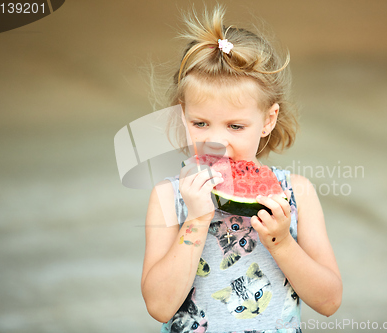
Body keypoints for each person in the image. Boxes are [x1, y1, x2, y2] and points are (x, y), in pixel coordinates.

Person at [140, 5, 342, 333]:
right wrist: (196, 220)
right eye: (200, 123)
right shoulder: (168, 196)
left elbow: (329, 301)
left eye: (235, 126)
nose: (216, 142)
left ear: (268, 120)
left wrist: (281, 242)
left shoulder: (296, 192)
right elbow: (160, 307)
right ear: (182, 116)